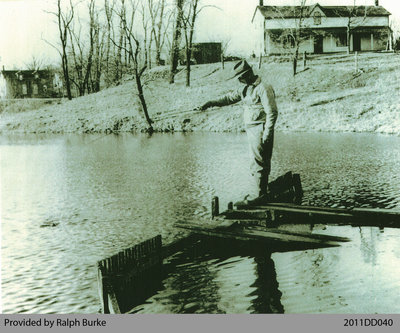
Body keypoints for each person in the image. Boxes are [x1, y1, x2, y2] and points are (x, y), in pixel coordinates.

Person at [199, 60, 278, 205]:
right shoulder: (246, 89)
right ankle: (261, 193)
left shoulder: (263, 88)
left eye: (241, 78)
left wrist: (267, 132)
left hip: (260, 128)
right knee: (257, 161)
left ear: (247, 75)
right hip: (252, 130)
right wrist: (211, 102)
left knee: (260, 161)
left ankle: (260, 195)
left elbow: (272, 112)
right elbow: (228, 98)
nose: (240, 81)